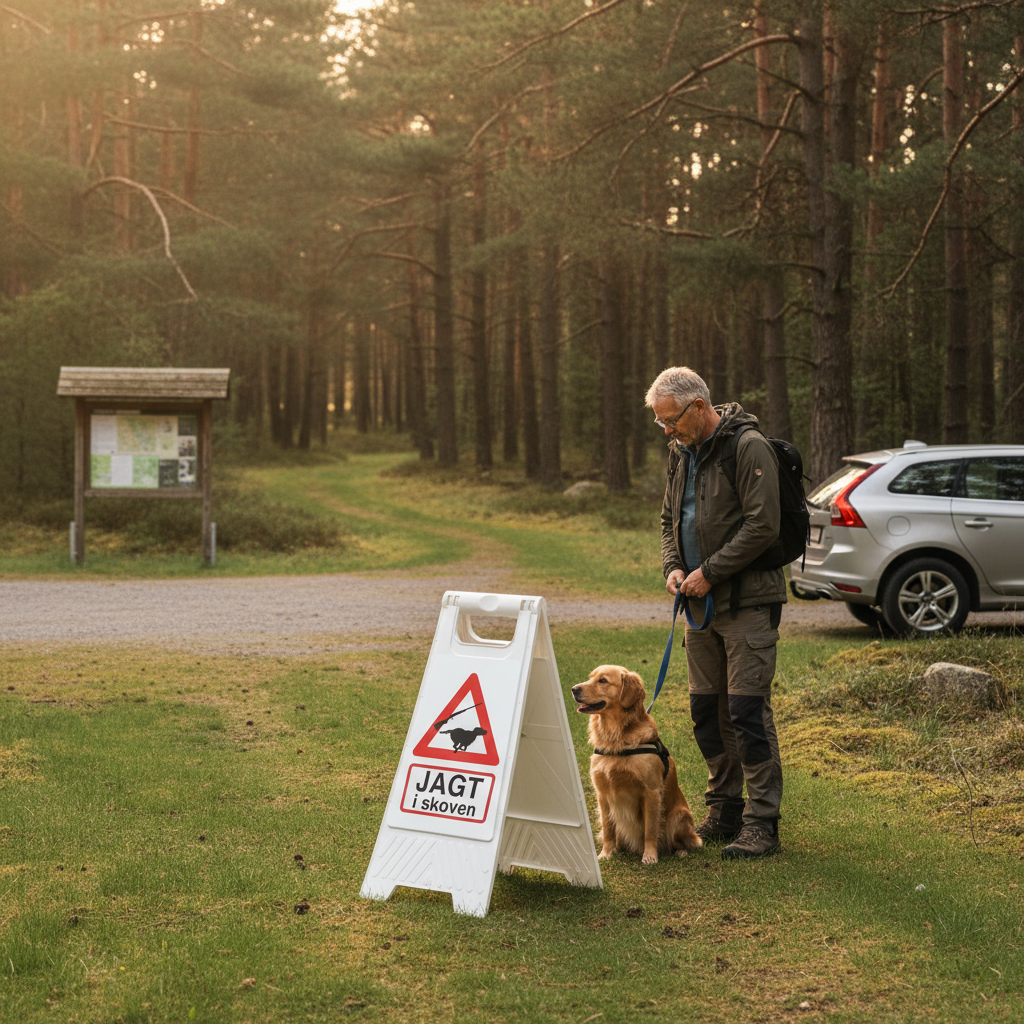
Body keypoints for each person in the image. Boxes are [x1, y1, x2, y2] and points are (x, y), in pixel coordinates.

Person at [645, 366, 786, 859]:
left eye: (671, 420)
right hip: (698, 603)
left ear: (699, 407)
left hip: (747, 601)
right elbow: (669, 518)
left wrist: (710, 571)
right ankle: (724, 807)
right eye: (660, 422)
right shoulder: (679, 453)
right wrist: (673, 567)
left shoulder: (748, 446)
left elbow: (763, 524)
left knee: (747, 712)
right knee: (708, 711)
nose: (667, 430)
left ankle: (761, 823)